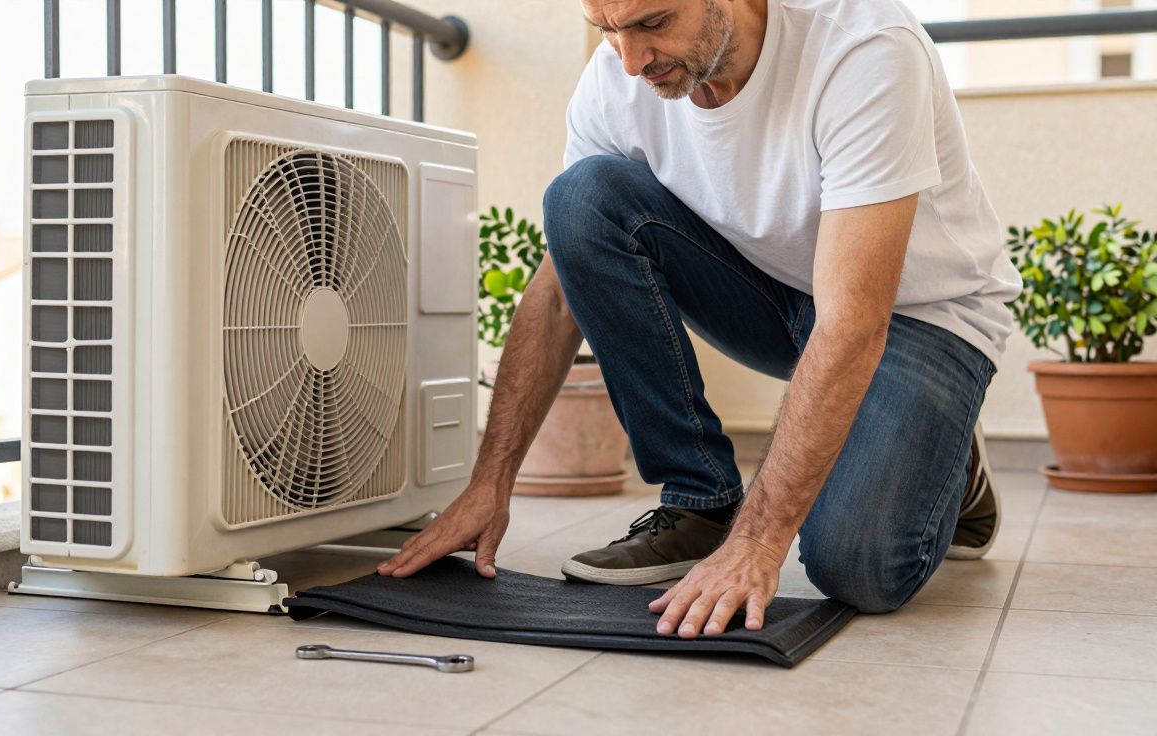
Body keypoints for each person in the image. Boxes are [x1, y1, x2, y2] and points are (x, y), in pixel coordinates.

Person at [378, 0, 1021, 639]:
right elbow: (556, 294)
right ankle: (699, 502)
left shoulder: (863, 49)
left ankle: (952, 463)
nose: (630, 62)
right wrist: (489, 482)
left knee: (857, 570)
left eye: (653, 24)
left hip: (921, 314)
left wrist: (759, 544)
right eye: (607, 31)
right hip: (771, 292)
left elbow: (854, 322)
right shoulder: (617, 82)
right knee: (581, 199)